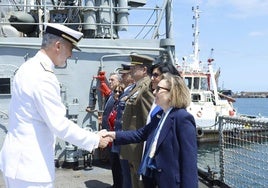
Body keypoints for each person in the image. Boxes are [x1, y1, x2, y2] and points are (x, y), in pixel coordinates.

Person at [0, 23, 112, 188]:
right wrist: (95, 139)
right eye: (70, 49)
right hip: (31, 168)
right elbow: (59, 124)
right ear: (58, 46)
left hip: (19, 164)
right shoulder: (43, 76)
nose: (71, 55)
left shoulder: (28, 67)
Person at [105, 73, 198, 188]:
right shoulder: (160, 115)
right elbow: (140, 134)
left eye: (159, 89)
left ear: (172, 93)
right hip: (153, 179)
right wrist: (113, 135)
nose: (154, 92)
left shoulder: (182, 118)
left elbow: (189, 161)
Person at [120, 54, 155, 188]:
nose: (131, 70)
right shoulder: (137, 87)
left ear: (144, 70)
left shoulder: (146, 88)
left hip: (139, 146)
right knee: (134, 178)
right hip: (132, 144)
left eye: (135, 67)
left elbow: (149, 119)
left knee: (140, 182)